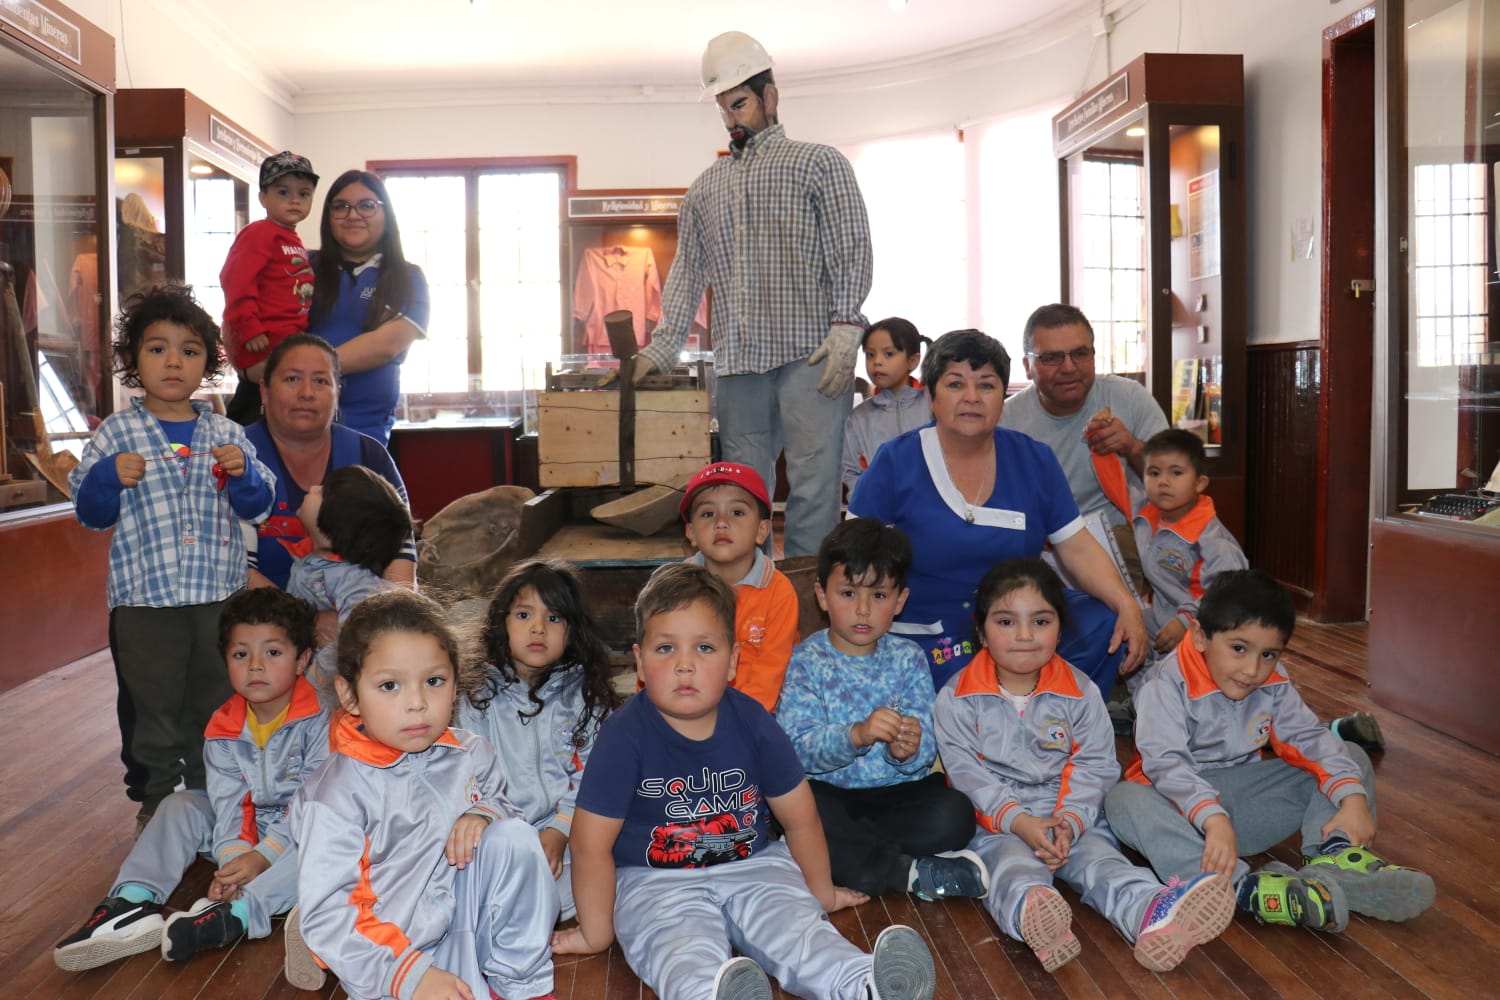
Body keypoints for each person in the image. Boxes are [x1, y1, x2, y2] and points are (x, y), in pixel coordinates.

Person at [552, 562, 937, 1000]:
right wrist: (595, 933)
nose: (684, 666)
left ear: (733, 660)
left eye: (704, 648)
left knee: (798, 927)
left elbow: (801, 819)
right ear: (639, 660)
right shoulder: (623, 736)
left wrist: (820, 895)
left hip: (755, 865)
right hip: (655, 879)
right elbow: (589, 844)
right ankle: (712, 994)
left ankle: (866, 984)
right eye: (665, 649)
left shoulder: (753, 722)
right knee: (678, 948)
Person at [630, 31, 874, 559]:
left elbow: (850, 246)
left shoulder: (819, 164)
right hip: (740, 363)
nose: (732, 119)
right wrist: (662, 346)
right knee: (741, 490)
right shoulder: (705, 188)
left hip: (811, 353)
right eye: (723, 108)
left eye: (739, 103)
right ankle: (746, 598)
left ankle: (807, 598)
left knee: (814, 484)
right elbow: (688, 272)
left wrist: (847, 325)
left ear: (770, 97)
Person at [934, 558, 1234, 974]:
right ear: (982, 633)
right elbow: (967, 776)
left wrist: (1070, 822)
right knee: (1010, 869)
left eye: (1040, 621)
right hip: (997, 825)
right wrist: (1021, 823)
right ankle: (1035, 915)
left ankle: (1151, 912)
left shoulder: (1081, 691)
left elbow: (1095, 765)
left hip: (1072, 818)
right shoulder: (957, 698)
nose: (1024, 636)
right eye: (1006, 622)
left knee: (1103, 864)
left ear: (1059, 628)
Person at [1104, 570, 1435, 936]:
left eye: (1268, 654)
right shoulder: (1163, 686)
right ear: (1200, 636)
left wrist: (1353, 799)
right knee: (1123, 800)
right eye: (1239, 648)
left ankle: (1334, 860)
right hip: (1183, 818)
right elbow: (1166, 765)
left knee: (1350, 755)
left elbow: (1308, 739)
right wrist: (1212, 819)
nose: (1252, 670)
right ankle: (1243, 889)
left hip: (1243, 810)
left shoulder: (1274, 682)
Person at [68, 284, 276, 830]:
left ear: (208, 362)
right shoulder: (116, 433)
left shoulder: (227, 432)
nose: (173, 362)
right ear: (133, 360)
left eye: (189, 350)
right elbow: (90, 513)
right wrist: (107, 476)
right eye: (157, 348)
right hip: (144, 604)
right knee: (151, 704)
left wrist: (245, 474)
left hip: (219, 599)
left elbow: (259, 507)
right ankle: (156, 799)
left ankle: (213, 791)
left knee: (215, 698)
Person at [289, 589, 557, 1000]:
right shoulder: (334, 796)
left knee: (518, 838)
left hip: (465, 928)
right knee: (328, 910)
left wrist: (484, 813)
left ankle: (522, 987)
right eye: (390, 685)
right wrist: (409, 976)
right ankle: (318, 934)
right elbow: (330, 916)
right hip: (392, 960)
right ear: (349, 695)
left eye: (433, 681)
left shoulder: (471, 753)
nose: (416, 703)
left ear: (455, 684)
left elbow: (504, 805)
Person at [848, 328, 1148, 693]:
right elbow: (852, 557)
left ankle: (1051, 719)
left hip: (1018, 623)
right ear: (931, 396)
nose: (972, 398)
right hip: (930, 632)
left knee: (1104, 623)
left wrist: (1127, 604)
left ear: (1003, 396)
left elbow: (1076, 546)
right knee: (958, 693)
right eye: (955, 385)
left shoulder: (1034, 459)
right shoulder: (895, 461)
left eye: (987, 386)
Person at [53, 588, 328, 971]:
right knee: (180, 804)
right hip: (250, 829)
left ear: (302, 661)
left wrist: (262, 858)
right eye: (240, 654)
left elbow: (313, 802)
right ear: (226, 662)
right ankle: (132, 902)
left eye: (273, 652)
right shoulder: (222, 726)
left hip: (303, 827)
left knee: (326, 845)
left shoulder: (321, 720)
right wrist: (234, 859)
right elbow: (230, 802)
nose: (255, 666)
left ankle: (241, 913)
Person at [775, 517, 986, 901]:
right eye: (848, 593)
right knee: (794, 814)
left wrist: (906, 752)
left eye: (878, 596)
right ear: (822, 595)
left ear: (900, 600)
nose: (862, 610)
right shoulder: (806, 660)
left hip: (897, 796)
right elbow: (797, 748)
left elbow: (923, 750)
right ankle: (906, 872)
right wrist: (856, 735)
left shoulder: (909, 659)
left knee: (955, 814)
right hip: (830, 794)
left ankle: (851, 858)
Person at [458, 558, 621, 922]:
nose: (537, 629)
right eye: (523, 615)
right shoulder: (476, 696)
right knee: (457, 871)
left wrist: (559, 829)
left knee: (597, 883)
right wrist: (495, 824)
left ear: (573, 629)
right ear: (501, 623)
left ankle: (511, 912)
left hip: (564, 837)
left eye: (553, 618)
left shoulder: (586, 696)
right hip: (495, 831)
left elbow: (593, 778)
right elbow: (470, 774)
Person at [245, 333, 416, 593]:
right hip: (260, 622)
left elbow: (401, 568)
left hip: (361, 620)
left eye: (321, 381)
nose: (306, 393)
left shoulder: (370, 456)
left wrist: (369, 622)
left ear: (337, 394)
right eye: (292, 379)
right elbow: (229, 568)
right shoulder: (234, 454)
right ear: (264, 391)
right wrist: (302, 622)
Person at [999, 303, 1169, 533]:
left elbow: (1178, 484)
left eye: (1080, 354)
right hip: (1040, 546)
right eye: (1051, 357)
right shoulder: (1004, 421)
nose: (1069, 368)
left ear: (1093, 356)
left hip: (1125, 540)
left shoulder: (1130, 398)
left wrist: (1131, 447)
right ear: (1028, 366)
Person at [306, 170, 429, 445]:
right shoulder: (301, 267)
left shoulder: (407, 278)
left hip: (364, 433)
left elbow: (384, 346)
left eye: (367, 205)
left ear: (387, 215)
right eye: (341, 206)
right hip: (293, 425)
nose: (353, 215)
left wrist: (299, 374)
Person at [680, 461, 799, 712]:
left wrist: (729, 724)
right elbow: (659, 659)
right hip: (686, 710)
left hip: (754, 716)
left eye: (737, 512)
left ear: (762, 529)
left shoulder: (779, 592)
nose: (721, 523)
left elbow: (768, 677)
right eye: (708, 514)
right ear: (691, 531)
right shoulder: (675, 588)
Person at [288, 463, 412, 690]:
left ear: (336, 525)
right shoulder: (320, 561)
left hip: (328, 696)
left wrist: (312, 682)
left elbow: (355, 639)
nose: (314, 487)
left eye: (322, 492)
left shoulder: (353, 579)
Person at [1131, 429, 1247, 660]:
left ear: (1200, 483)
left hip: (1200, 631)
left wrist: (1187, 621)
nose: (1163, 481)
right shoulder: (1145, 515)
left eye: (1176, 473)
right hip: (1157, 618)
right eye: (1154, 473)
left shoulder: (1212, 539)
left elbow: (1228, 592)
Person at [220, 151, 318, 424]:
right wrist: (249, 326)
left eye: (304, 193)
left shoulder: (292, 238)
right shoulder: (258, 233)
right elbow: (235, 279)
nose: (295, 200)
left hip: (287, 340)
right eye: (283, 192)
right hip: (262, 340)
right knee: (256, 414)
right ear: (263, 197)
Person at [841, 317, 932, 494]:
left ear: (913, 361)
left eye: (888, 354)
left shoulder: (934, 406)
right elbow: (850, 471)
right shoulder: (859, 417)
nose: (877, 362)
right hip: (878, 514)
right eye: (870, 354)